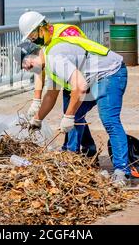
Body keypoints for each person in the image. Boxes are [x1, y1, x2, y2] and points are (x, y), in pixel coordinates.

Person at [14, 38, 131, 187]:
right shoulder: (49, 63)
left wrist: (67, 116)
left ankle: (122, 171)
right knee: (75, 116)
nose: (27, 70)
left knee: (109, 120)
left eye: (26, 65)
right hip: (92, 79)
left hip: (110, 73)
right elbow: (50, 96)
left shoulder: (55, 59)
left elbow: (80, 86)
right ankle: (72, 157)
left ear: (32, 56)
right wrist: (37, 120)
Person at [18, 11, 96, 157]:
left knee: (73, 114)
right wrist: (36, 104)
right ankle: (88, 149)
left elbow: (76, 60)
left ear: (40, 28)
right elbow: (42, 76)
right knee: (72, 114)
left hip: (84, 77)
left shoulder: (65, 35)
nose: (33, 40)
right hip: (69, 79)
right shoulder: (43, 44)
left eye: (32, 37)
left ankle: (71, 153)